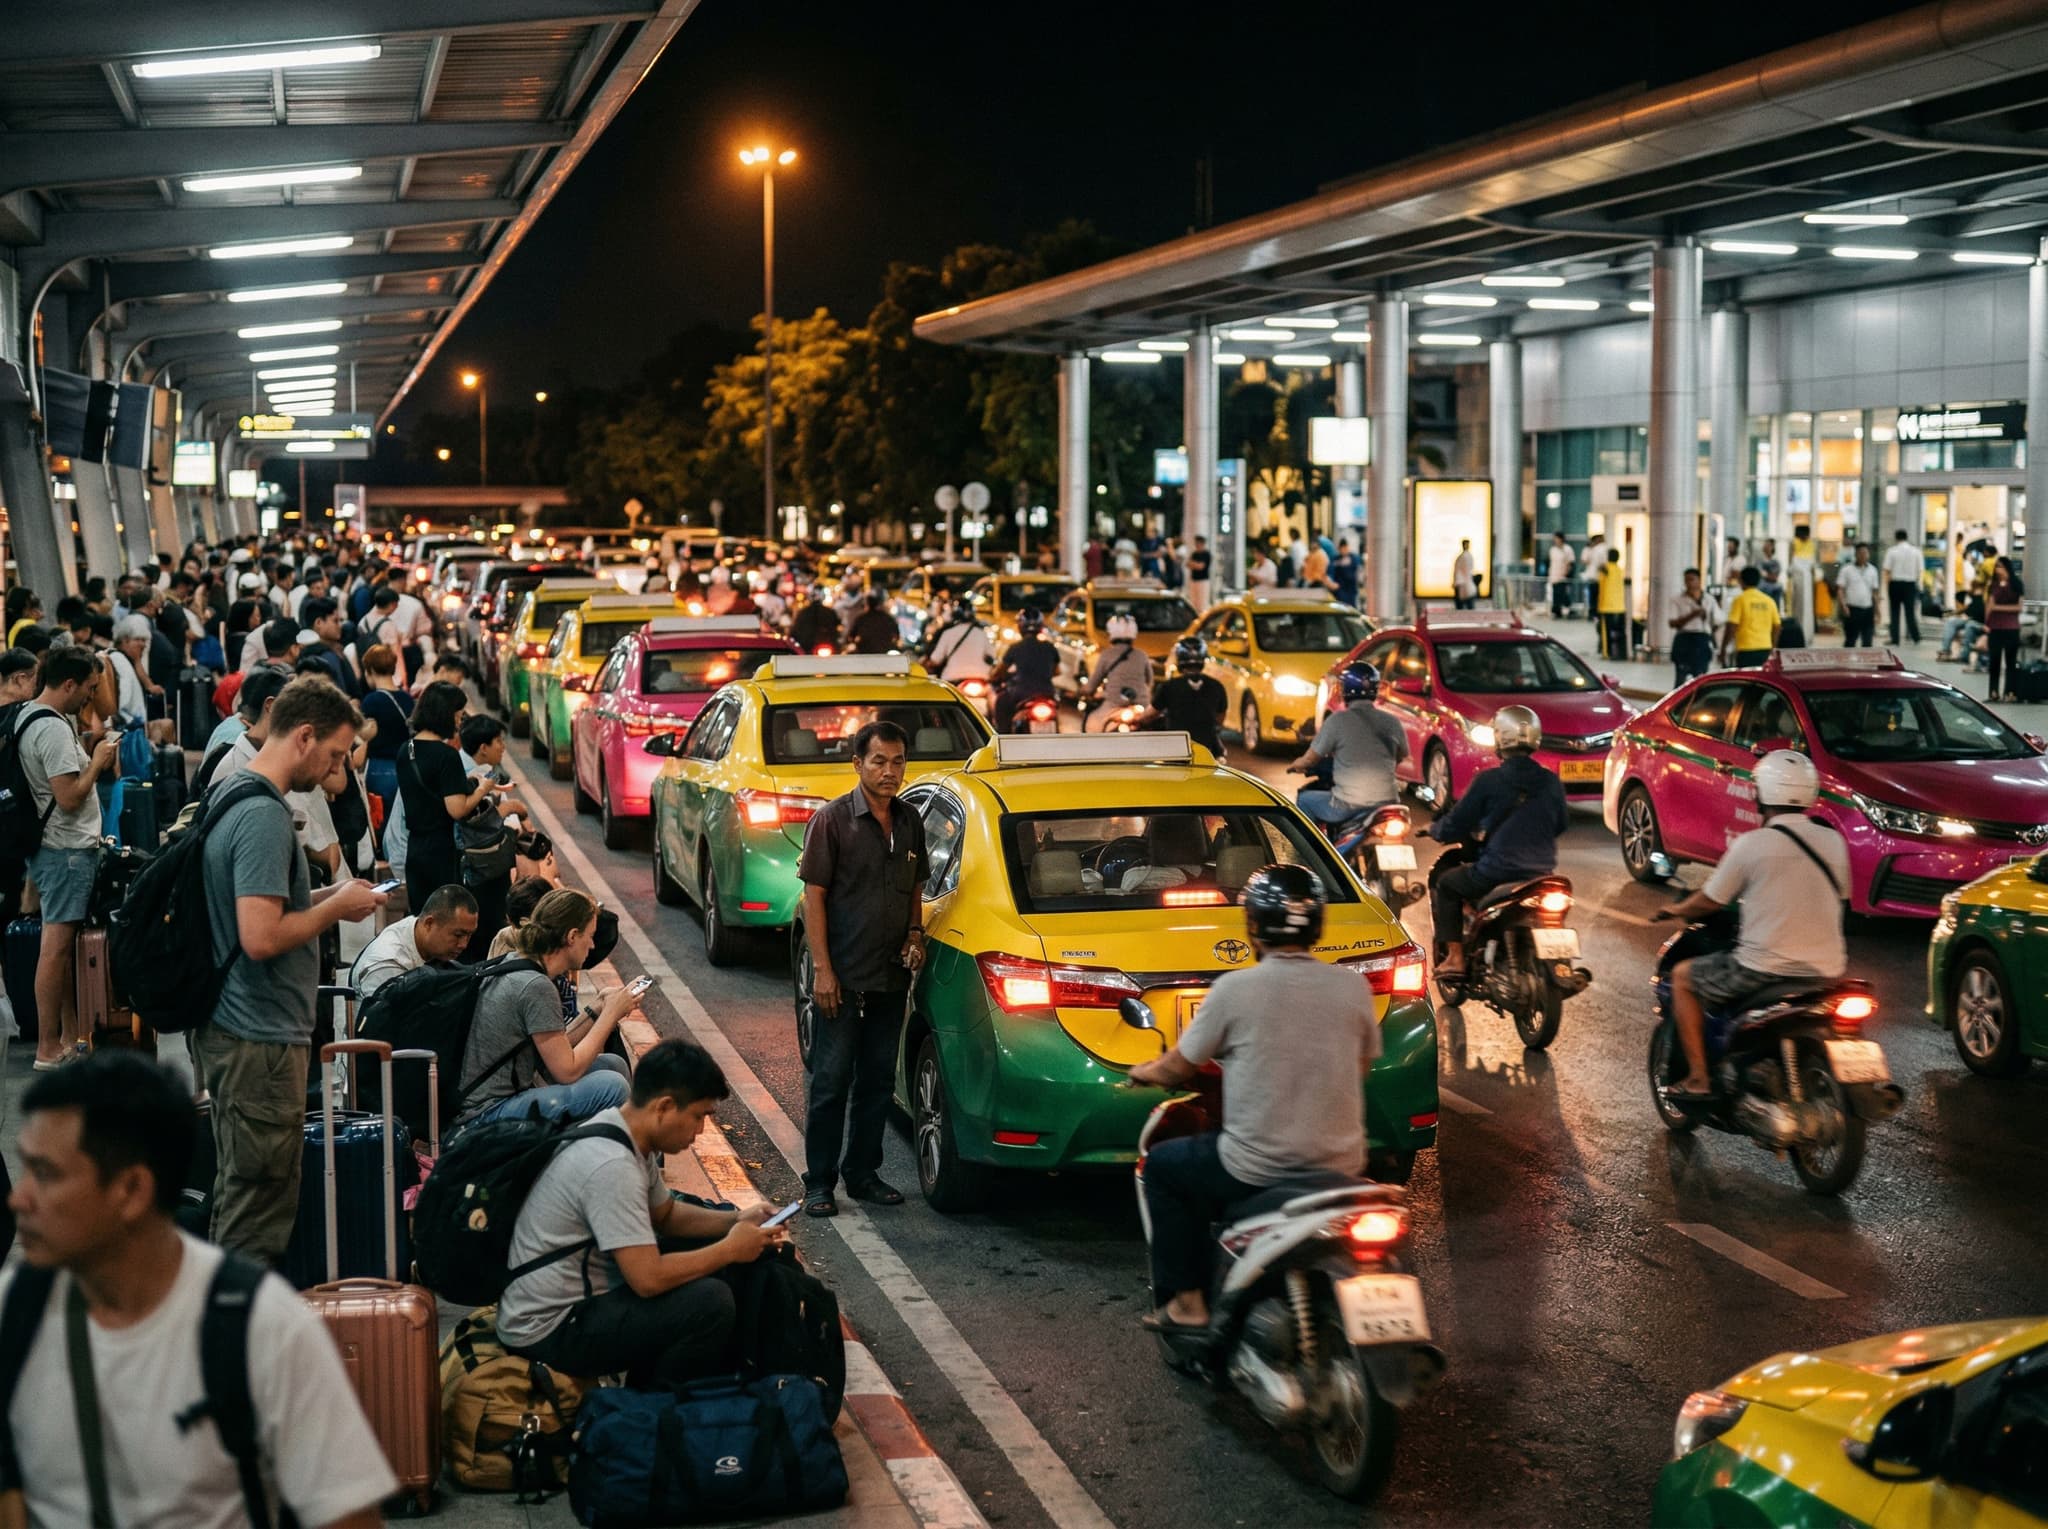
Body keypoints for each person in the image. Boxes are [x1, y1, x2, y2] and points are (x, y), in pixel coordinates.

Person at [0, 1052, 395, 1527]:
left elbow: (349, 1518)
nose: (18, 1198)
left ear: (132, 1190)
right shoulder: (16, 1311)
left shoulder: (261, 1328)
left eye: (45, 1174)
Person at [1125, 864, 1377, 1332]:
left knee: (1162, 1169)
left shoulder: (1235, 989)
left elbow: (1179, 1066)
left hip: (1255, 1166)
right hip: (1341, 1163)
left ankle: (1188, 1304)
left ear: (1254, 926)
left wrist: (1143, 1072)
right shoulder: (1353, 986)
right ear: (1317, 925)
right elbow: (1357, 1069)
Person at [197, 677, 386, 1263]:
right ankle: (237, 1316)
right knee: (259, 1206)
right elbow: (260, 936)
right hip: (258, 1039)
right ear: (304, 736)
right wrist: (334, 908)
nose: (335, 770)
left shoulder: (237, 790)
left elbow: (265, 906)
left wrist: (330, 894)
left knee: (243, 1192)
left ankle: (227, 1308)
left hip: (243, 1031)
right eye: (334, 754)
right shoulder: (264, 815)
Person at [495, 1039, 778, 1388]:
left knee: (706, 1264)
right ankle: (646, 1410)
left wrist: (736, 1220)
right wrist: (729, 1249)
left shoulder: (621, 1130)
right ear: (665, 1106)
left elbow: (666, 1216)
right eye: (698, 1116)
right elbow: (648, 1280)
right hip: (549, 1327)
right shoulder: (612, 1165)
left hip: (569, 1303)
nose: (700, 1131)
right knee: (710, 1303)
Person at [1653, 750, 1848, 1102]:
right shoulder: (1833, 842)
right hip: (1826, 970)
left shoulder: (1752, 844)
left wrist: (1677, 909)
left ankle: (1698, 1079)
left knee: (1682, 978)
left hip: (1763, 970)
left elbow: (1710, 901)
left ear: (1761, 794)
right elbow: (1841, 894)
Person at [798, 720, 927, 1217]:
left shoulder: (911, 820)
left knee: (877, 1083)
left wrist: (914, 934)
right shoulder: (831, 822)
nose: (889, 771)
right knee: (831, 1083)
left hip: (890, 978)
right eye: (879, 761)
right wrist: (823, 971)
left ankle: (863, 1173)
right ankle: (819, 1182)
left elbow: (916, 886)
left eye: (898, 761)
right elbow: (813, 897)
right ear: (858, 764)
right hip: (843, 979)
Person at [455, 888, 637, 1131]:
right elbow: (567, 1071)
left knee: (613, 1064)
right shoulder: (536, 986)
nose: (593, 945)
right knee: (613, 1087)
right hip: (486, 1113)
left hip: (496, 1097)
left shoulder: (518, 963)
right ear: (572, 936)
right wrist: (611, 1014)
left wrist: (597, 1008)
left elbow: (554, 1048)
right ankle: (578, 1151)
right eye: (590, 936)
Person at [18, 650, 117, 1069]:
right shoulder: (53, 730)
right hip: (66, 852)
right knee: (55, 950)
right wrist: (97, 763)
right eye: (90, 688)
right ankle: (47, 1047)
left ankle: (67, 1036)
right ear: (70, 684)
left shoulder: (29, 715)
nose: (91, 697)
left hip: (54, 849)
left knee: (59, 949)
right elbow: (69, 797)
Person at [1421, 705, 1566, 981]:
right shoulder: (1551, 781)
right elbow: (1560, 825)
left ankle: (1455, 958)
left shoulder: (1489, 781)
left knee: (1447, 885)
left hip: (1496, 871)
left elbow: (1456, 823)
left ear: (1500, 738)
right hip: (1541, 874)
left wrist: (1435, 830)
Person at [395, 680, 495, 913]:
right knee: (444, 915)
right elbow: (457, 809)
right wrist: (484, 788)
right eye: (458, 716)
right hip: (440, 849)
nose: (459, 723)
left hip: (414, 847)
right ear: (445, 715)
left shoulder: (406, 749)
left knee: (421, 915)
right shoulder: (446, 755)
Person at [1286, 664, 1408, 825]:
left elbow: (1310, 759)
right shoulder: (1391, 721)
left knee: (1305, 800)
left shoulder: (1337, 721)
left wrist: (1296, 764)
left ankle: (1310, 842)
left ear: (1345, 689)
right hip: (1388, 802)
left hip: (1348, 804)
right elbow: (1401, 754)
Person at [456, 713, 529, 958]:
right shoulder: (470, 776)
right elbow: (477, 822)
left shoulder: (481, 770)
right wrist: (511, 808)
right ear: (483, 747)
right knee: (486, 934)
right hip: (482, 868)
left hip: (485, 866)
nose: (503, 746)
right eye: (499, 741)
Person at [348, 883, 479, 998]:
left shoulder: (419, 928)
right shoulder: (388, 964)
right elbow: (381, 1018)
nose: (464, 945)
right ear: (429, 923)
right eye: (458, 935)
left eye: (469, 935)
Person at [1143, 637, 1227, 758]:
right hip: (1209, 750)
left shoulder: (1169, 687)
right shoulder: (1217, 686)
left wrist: (1138, 719)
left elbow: (1149, 715)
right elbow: (1220, 719)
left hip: (1176, 750)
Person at [357, 642, 412, 811]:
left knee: (381, 818)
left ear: (371, 671)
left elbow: (363, 740)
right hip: (405, 769)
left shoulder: (371, 701)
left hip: (379, 770)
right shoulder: (407, 699)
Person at [988, 607, 1060, 733]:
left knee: (1001, 703)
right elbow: (1056, 671)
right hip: (1048, 693)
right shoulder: (1050, 647)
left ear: (1020, 626)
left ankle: (1003, 738)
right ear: (1041, 626)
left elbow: (1000, 672)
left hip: (1021, 694)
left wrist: (995, 676)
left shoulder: (1015, 647)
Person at [1078, 614, 1152, 731]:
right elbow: (1149, 681)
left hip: (1114, 705)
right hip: (1141, 705)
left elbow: (1092, 684)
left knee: (1092, 725)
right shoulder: (1142, 655)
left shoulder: (1107, 654)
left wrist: (1082, 691)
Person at [1720, 566, 1780, 669]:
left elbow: (1732, 626)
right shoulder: (1769, 601)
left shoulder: (1740, 600)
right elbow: (1777, 626)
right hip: (1765, 649)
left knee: (1746, 677)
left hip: (1745, 649)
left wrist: (1723, 648)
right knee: (1762, 677)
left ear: (1741, 581)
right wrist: (1773, 646)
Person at [1983, 554, 2025, 702]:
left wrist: (1997, 608)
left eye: (2000, 567)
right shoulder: (1993, 585)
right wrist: (1986, 623)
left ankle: (2010, 692)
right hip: (1995, 627)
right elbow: (1989, 606)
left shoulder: (2016, 584)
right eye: (1996, 567)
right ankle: (1993, 692)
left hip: (2011, 628)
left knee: (2010, 662)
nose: (1997, 570)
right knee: (1994, 661)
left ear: (2007, 568)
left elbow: (2019, 607)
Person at [922, 599, 993, 684]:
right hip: (981, 677)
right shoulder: (982, 634)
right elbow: (992, 656)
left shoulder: (948, 633)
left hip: (953, 678)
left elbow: (936, 659)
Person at [1669, 568, 1718, 686]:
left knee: (1701, 677)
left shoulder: (1709, 599)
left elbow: (1716, 621)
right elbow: (1673, 623)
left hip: (1702, 638)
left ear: (1699, 580)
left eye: (1691, 580)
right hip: (1684, 638)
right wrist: (1693, 615)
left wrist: (1713, 640)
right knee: (1681, 677)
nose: (1689, 583)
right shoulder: (1677, 600)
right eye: (1686, 580)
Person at [1833, 542, 1881, 648]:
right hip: (1852, 610)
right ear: (1855, 554)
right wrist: (1843, 606)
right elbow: (1840, 589)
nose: (1863, 555)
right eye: (1860, 553)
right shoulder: (1846, 569)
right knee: (1850, 640)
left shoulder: (1873, 570)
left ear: (1868, 554)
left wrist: (1877, 611)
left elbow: (1874, 592)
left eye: (1865, 553)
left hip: (1868, 610)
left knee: (1867, 641)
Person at [1883, 529, 1924, 645]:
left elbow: (1886, 570)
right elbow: (1920, 570)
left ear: (1896, 538)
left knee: (1894, 612)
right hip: (1910, 584)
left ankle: (1895, 638)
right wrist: (1918, 584)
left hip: (1895, 584)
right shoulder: (1916, 551)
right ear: (1906, 537)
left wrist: (1886, 585)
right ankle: (1916, 637)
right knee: (1910, 612)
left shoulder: (1891, 551)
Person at [1937, 586, 1987, 664]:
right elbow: (1965, 609)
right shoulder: (1972, 599)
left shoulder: (1986, 596)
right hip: (1970, 619)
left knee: (1969, 625)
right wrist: (1949, 614)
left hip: (1980, 622)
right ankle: (1945, 650)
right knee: (1951, 622)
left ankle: (1964, 656)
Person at [789, 587, 841, 654]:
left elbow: (795, 631)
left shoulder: (803, 613)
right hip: (811, 647)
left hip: (813, 646)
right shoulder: (830, 612)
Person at [1596, 546, 1627, 659]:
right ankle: (1620, 653)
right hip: (1620, 606)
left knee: (1606, 632)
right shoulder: (1620, 570)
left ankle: (1607, 653)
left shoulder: (1605, 569)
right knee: (1619, 631)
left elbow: (1600, 585)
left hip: (1606, 606)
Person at [1547, 533, 1576, 619]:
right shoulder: (1553, 550)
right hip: (1554, 575)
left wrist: (1566, 573)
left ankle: (1568, 608)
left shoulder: (1567, 549)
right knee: (1556, 593)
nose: (1555, 541)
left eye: (1557, 538)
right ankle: (1557, 611)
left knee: (1562, 593)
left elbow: (1570, 562)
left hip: (1563, 576)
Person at [1329, 537, 1361, 609]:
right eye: (1341, 549)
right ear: (1339, 549)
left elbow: (1357, 573)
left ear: (1347, 547)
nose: (1343, 550)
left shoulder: (1354, 558)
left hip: (1350, 590)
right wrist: (1331, 582)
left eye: (1345, 548)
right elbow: (1331, 572)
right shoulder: (1336, 559)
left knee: (1351, 609)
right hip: (1339, 590)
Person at [1186, 535, 1214, 610]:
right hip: (1194, 580)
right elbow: (1187, 564)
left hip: (1202, 581)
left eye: (1198, 543)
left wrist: (1193, 564)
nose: (1196, 545)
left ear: (1202, 543)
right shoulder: (1194, 554)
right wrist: (1195, 564)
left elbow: (1201, 567)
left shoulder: (1206, 554)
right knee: (1193, 602)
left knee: (1202, 602)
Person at [1452, 540, 1478, 610]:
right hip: (1462, 584)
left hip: (1465, 584)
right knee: (1463, 607)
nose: (1466, 546)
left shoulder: (1466, 556)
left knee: (1467, 606)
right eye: (1465, 544)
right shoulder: (1463, 556)